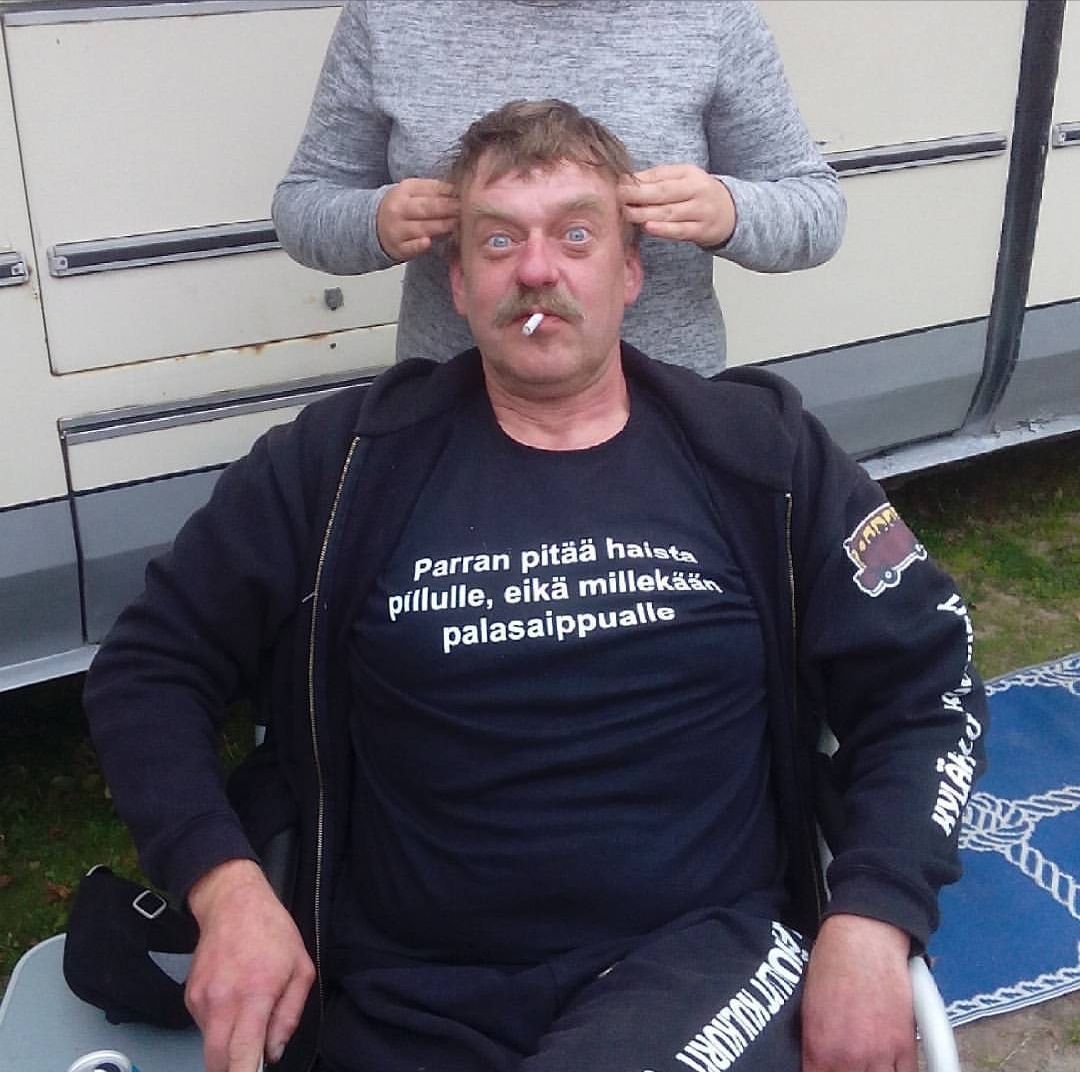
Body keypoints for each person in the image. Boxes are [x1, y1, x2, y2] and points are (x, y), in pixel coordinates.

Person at [86, 100, 983, 1072]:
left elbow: (924, 684)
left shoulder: (760, 457)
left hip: (699, 962)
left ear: (631, 271)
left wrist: (872, 917)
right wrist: (226, 889)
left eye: (576, 234)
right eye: (499, 240)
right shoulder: (341, 465)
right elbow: (150, 666)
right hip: (403, 996)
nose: (537, 269)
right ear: (459, 282)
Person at [271, 0, 846, 376]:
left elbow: (816, 209)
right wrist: (376, 222)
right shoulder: (389, 15)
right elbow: (303, 203)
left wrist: (731, 211)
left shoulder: (710, 15)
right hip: (452, 409)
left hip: (666, 410)